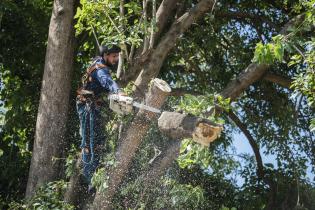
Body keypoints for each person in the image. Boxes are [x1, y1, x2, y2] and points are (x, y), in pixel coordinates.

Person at [76, 44, 123, 191]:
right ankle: (90, 180)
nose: (116, 59)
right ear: (106, 55)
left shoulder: (99, 62)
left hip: (92, 107)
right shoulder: (101, 70)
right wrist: (119, 92)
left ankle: (97, 173)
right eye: (114, 56)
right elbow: (107, 82)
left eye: (117, 56)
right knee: (89, 142)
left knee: (99, 140)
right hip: (87, 108)